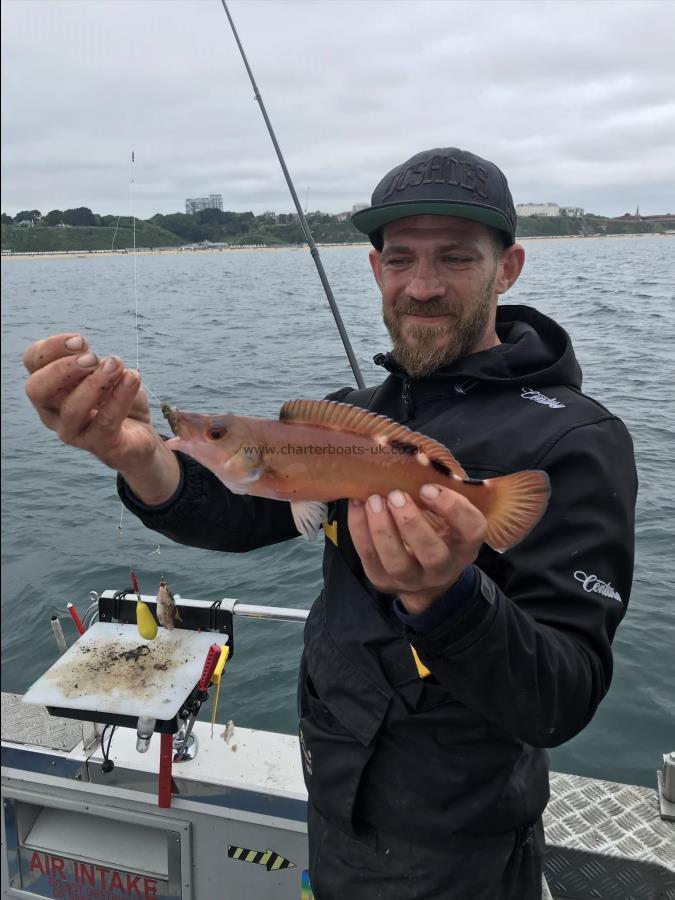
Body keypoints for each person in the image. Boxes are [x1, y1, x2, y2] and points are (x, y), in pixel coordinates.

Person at [23, 147, 637, 900]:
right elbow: (243, 510)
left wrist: (445, 599)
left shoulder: (574, 442)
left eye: (454, 258)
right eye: (400, 258)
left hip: (461, 847)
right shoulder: (361, 414)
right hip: (335, 807)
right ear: (375, 269)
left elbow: (561, 697)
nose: (422, 284)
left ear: (506, 268)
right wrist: (139, 456)